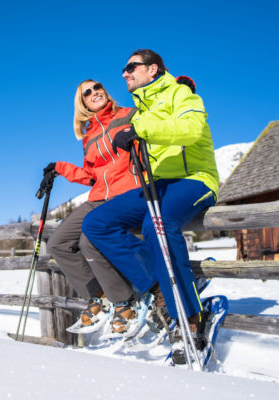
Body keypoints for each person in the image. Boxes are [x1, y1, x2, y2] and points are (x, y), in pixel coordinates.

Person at [81, 49, 219, 363]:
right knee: (97, 224)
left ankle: (189, 317)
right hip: (158, 184)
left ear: (152, 68)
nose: (125, 73)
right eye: (124, 69)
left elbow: (191, 130)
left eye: (131, 67)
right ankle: (158, 285)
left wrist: (139, 131)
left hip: (195, 178)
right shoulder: (141, 109)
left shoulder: (182, 94)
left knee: (156, 224)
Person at [41, 79, 153, 336]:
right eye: (86, 93)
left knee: (89, 239)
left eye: (97, 87)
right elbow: (91, 176)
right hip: (99, 197)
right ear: (82, 104)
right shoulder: (89, 136)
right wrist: (60, 167)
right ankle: (98, 295)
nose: (94, 93)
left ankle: (123, 301)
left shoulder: (129, 115)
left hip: (129, 192)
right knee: (58, 243)